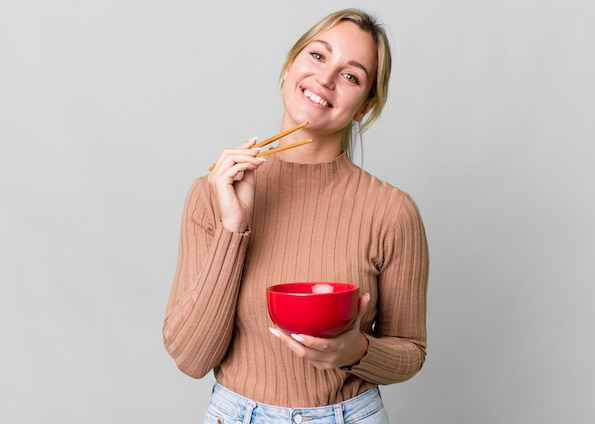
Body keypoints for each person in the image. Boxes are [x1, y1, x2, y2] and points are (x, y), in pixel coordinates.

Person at [163, 8, 429, 423]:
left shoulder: (392, 211)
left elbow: (410, 351)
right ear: (290, 65)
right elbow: (192, 358)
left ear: (364, 107)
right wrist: (234, 228)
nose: (325, 79)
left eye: (351, 76)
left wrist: (356, 351)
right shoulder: (212, 194)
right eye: (318, 56)